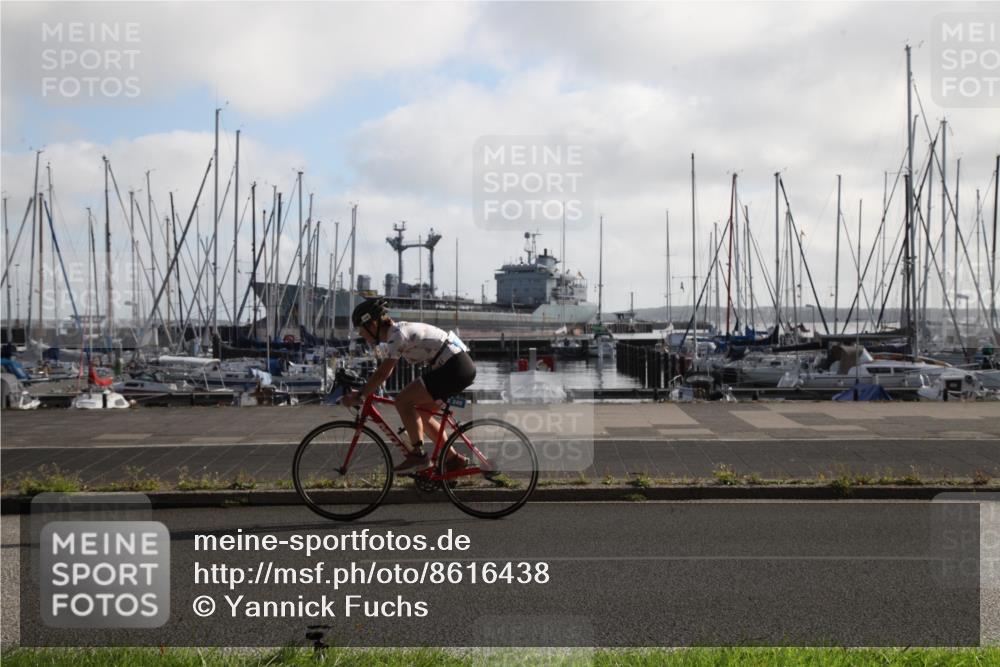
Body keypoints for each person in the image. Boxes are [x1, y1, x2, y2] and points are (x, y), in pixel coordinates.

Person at [342, 298, 476, 471]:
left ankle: (419, 455)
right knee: (421, 414)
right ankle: (453, 460)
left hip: (454, 367)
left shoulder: (397, 335)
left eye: (360, 329)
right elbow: (384, 370)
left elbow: (384, 372)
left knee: (403, 400)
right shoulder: (397, 333)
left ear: (372, 325)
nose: (361, 334)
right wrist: (365, 389)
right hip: (456, 366)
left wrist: (361, 395)